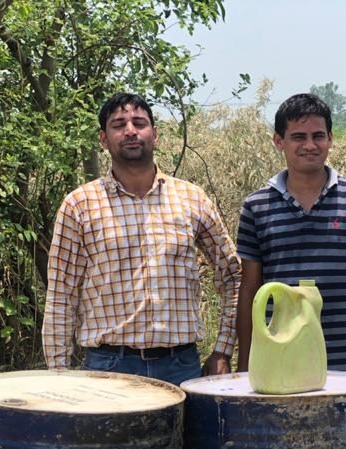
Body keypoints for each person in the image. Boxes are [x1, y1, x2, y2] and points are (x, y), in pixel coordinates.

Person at [43, 93, 241, 385]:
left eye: (139, 123)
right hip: (109, 366)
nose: (130, 131)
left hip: (181, 366)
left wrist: (223, 350)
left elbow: (233, 276)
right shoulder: (80, 205)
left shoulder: (191, 198)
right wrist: (58, 376)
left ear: (155, 134)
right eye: (118, 125)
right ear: (103, 138)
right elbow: (62, 295)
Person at [236, 93, 346, 389]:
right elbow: (249, 291)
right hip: (279, 362)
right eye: (298, 137)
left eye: (318, 136)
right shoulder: (257, 206)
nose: (310, 145)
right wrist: (246, 367)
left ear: (330, 138)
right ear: (279, 141)